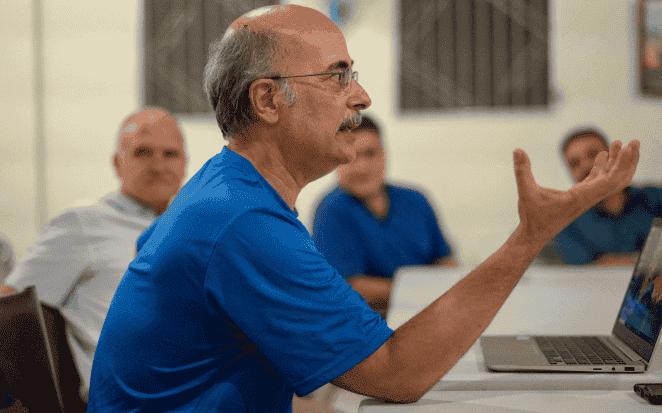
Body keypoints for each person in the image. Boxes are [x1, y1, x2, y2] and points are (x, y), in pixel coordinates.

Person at [86, 5, 640, 411]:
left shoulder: (226, 191)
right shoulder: (242, 221)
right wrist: (529, 237)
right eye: (337, 76)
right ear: (267, 99)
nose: (361, 97)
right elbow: (398, 374)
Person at [0, 108, 187, 398]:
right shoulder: (82, 225)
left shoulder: (187, 228)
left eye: (170, 154)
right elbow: (2, 311)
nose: (158, 166)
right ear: (117, 163)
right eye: (143, 152)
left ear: (184, 164)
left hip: (189, 389)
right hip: (132, 399)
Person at [312, 115, 456, 316]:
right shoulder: (331, 211)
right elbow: (348, 286)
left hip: (429, 313)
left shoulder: (416, 199)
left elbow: (445, 260)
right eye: (350, 157)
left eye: (370, 153)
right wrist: (426, 291)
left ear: (384, 154)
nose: (362, 167)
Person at [543, 127, 662, 265]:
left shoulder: (656, 199)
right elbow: (586, 272)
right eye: (575, 163)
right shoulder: (566, 223)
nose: (586, 166)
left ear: (613, 157)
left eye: (593, 155)